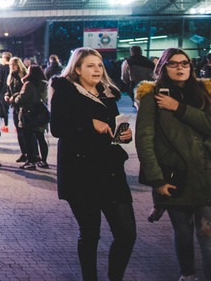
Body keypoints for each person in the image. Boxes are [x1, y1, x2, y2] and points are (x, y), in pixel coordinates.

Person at [51, 48, 135, 281]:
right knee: (90, 234)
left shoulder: (107, 93)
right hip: (80, 171)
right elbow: (57, 128)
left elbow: (115, 125)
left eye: (99, 65)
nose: (97, 69)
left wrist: (122, 135)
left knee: (127, 234)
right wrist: (90, 124)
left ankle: (115, 277)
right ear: (77, 69)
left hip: (110, 170)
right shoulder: (64, 91)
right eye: (90, 65)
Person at [135, 48, 211, 281]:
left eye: (185, 63)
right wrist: (157, 180)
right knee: (184, 232)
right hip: (174, 177)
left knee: (207, 233)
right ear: (163, 68)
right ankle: (187, 275)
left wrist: (178, 108)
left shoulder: (204, 93)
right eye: (173, 64)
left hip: (205, 175)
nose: (180, 68)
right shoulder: (152, 98)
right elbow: (144, 141)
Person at [11, 64, 50, 169]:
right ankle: (43, 161)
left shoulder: (29, 84)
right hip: (41, 113)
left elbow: (21, 99)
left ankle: (31, 161)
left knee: (27, 137)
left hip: (29, 114)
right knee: (41, 138)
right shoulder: (45, 84)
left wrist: (15, 97)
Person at [6, 57, 29, 163]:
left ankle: (29, 153)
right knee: (19, 131)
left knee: (24, 130)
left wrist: (13, 96)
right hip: (14, 106)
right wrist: (6, 95)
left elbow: (24, 90)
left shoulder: (24, 75)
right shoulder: (11, 76)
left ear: (18, 65)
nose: (11, 67)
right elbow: (8, 90)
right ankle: (24, 153)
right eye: (10, 65)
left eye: (13, 65)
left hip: (23, 106)